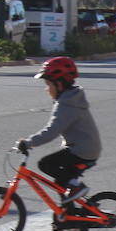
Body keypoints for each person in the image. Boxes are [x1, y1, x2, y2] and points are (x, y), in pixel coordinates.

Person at [15, 56, 100, 206]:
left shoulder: (66, 104)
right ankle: (68, 215)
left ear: (59, 84)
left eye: (48, 84)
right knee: (60, 181)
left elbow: (51, 131)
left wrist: (28, 143)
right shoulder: (71, 99)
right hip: (85, 149)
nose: (46, 89)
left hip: (82, 151)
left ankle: (76, 187)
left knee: (45, 164)